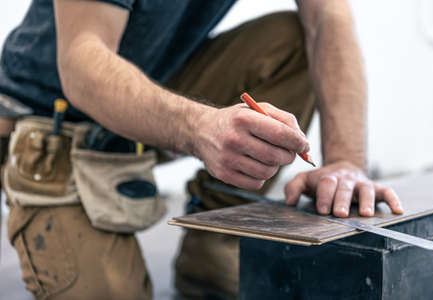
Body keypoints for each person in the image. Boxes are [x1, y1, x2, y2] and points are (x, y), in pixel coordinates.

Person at [0, 0, 403, 299]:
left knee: (291, 43)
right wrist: (199, 127)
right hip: (49, 122)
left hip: (150, 87)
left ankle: (212, 240)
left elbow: (327, 19)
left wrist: (346, 162)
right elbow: (81, 60)